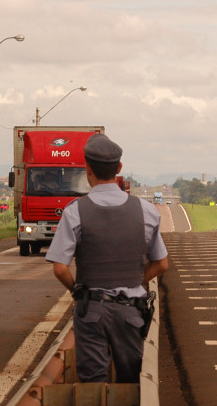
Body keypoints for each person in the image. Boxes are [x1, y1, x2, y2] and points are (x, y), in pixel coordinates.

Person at [45, 133, 169, 390]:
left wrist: (77, 290)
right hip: (131, 311)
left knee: (93, 386)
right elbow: (161, 264)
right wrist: (136, 280)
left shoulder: (75, 211)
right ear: (119, 169)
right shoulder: (145, 211)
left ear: (86, 169)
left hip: (91, 310)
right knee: (132, 383)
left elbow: (60, 268)